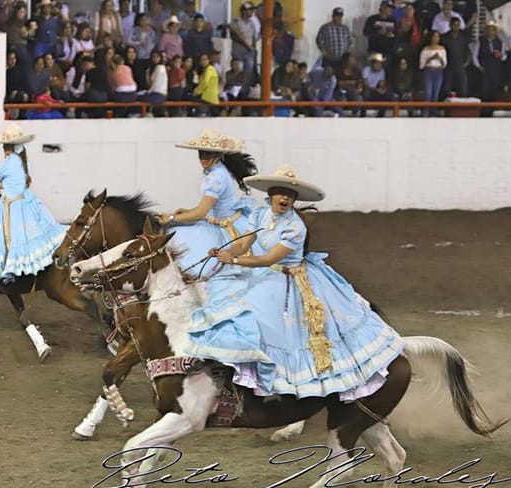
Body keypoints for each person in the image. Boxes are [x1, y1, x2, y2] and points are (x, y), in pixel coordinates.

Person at [201, 165, 403, 401]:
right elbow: (244, 244)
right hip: (265, 273)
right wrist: (226, 251)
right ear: (271, 195)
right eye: (280, 192)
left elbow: (268, 259)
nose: (285, 197)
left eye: (290, 194)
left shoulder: (295, 227)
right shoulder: (259, 213)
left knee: (264, 319)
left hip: (285, 279)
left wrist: (234, 260)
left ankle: (275, 383)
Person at [0, 124, 66, 283]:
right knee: (32, 233)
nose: (3, 149)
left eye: (4, 146)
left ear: (8, 147)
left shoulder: (6, 165)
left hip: (11, 205)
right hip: (25, 200)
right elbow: (23, 183)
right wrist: (7, 186)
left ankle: (4, 268)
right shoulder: (24, 163)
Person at [156, 129, 258, 277]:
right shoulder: (216, 170)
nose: (203, 157)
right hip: (220, 220)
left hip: (223, 228)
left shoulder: (216, 177)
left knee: (177, 233)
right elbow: (207, 208)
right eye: (201, 153)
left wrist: (171, 218)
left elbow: (200, 213)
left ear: (217, 154)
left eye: (208, 153)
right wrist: (188, 211)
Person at [420, 30, 446, 117]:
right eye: (434, 36)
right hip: (429, 71)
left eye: (437, 36)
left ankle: (433, 113)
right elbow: (421, 65)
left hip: (438, 72)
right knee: (428, 93)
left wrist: (440, 59)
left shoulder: (442, 49)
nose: (436, 38)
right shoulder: (425, 49)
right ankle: (425, 112)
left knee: (435, 94)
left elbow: (445, 64)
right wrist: (431, 58)